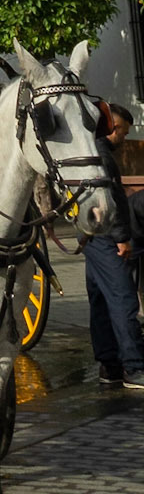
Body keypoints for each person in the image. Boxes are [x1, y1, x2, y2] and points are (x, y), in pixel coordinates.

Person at [85, 102, 144, 391]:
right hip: (108, 236)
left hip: (92, 236)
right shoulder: (102, 156)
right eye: (124, 133)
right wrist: (122, 237)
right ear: (115, 128)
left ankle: (109, 366)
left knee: (100, 301)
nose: (124, 139)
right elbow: (112, 201)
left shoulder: (93, 152)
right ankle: (134, 368)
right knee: (123, 300)